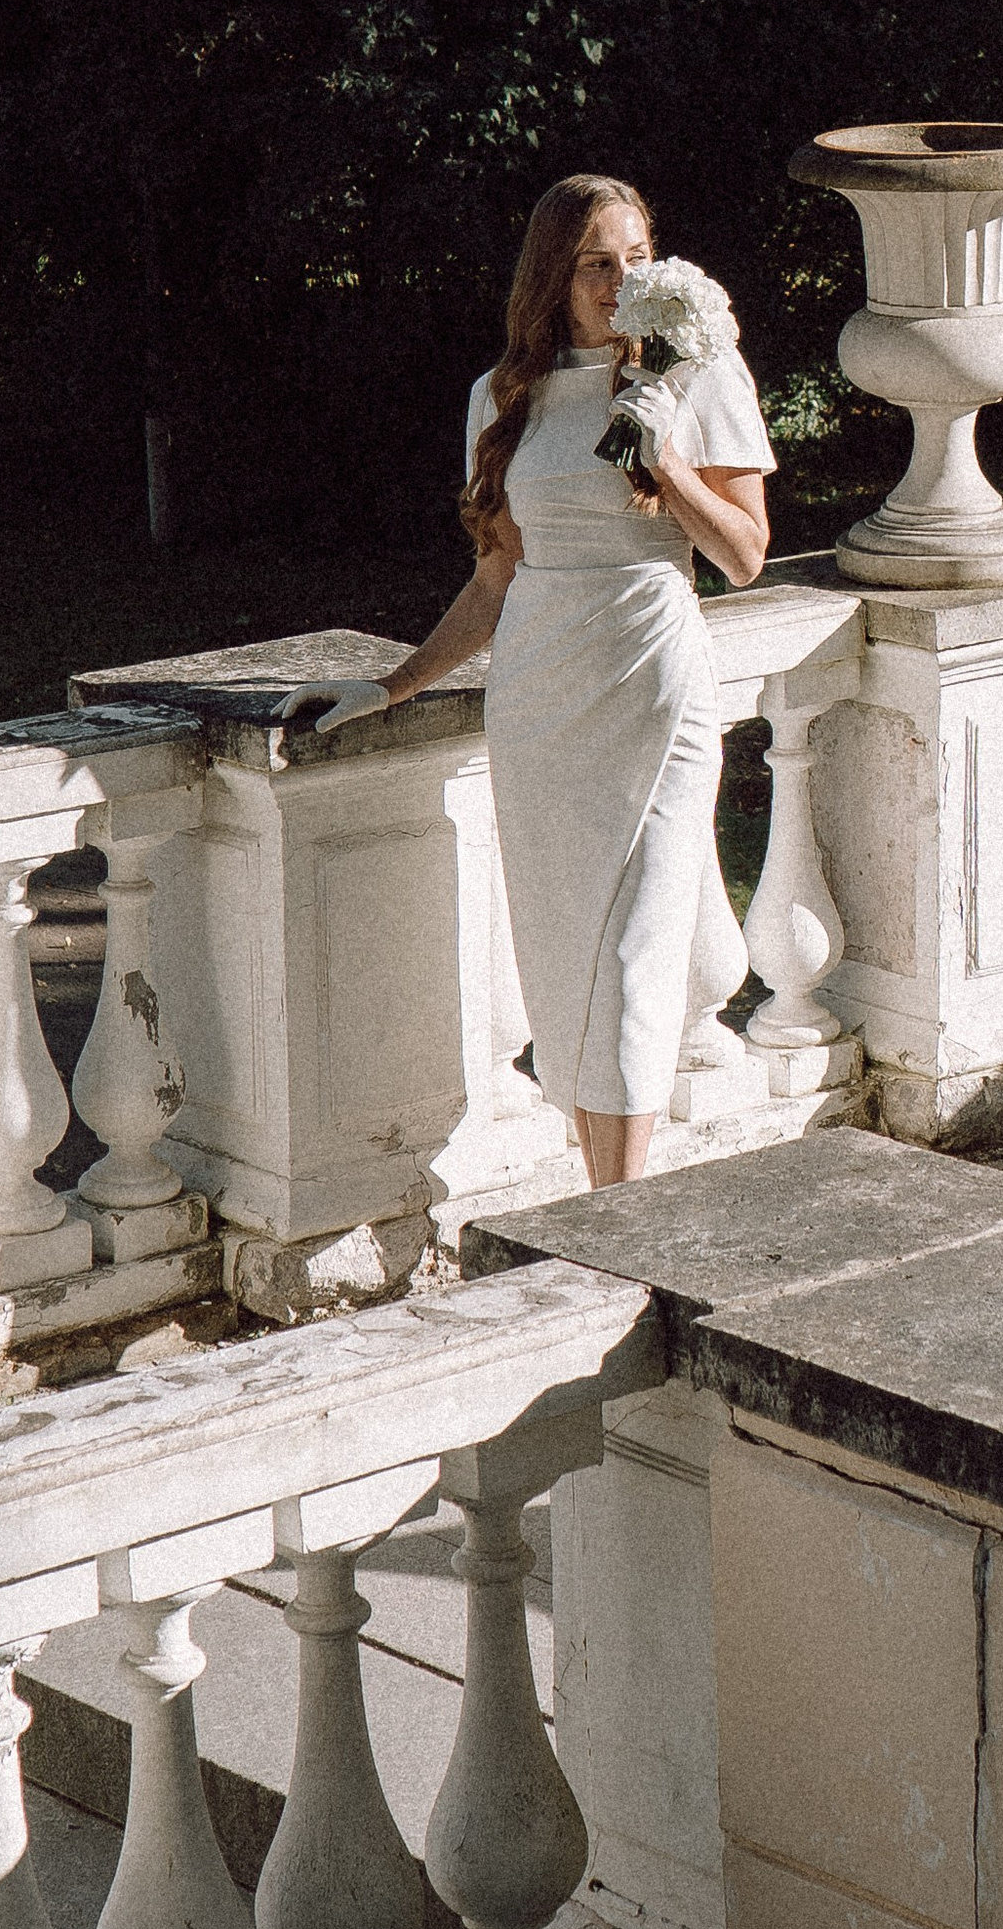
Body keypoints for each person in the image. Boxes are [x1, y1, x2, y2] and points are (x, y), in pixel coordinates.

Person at [314, 174, 772, 1186]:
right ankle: (604, 1191)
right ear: (553, 276)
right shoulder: (501, 395)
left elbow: (744, 555)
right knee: (566, 951)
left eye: (636, 259)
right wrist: (391, 686)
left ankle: (621, 1208)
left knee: (637, 948)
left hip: (653, 676)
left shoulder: (701, 372)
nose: (620, 282)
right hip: (539, 692)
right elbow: (496, 577)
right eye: (595, 263)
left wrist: (666, 462)